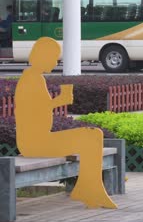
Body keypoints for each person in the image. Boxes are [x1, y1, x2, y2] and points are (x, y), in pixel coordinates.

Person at [14, 37, 117, 209]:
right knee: (91, 137)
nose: (55, 62)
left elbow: (38, 108)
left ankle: (89, 188)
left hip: (40, 139)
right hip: (34, 143)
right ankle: (89, 189)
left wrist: (56, 102)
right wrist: (59, 101)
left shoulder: (34, 77)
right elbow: (31, 112)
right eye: (54, 58)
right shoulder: (31, 79)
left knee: (93, 135)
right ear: (42, 56)